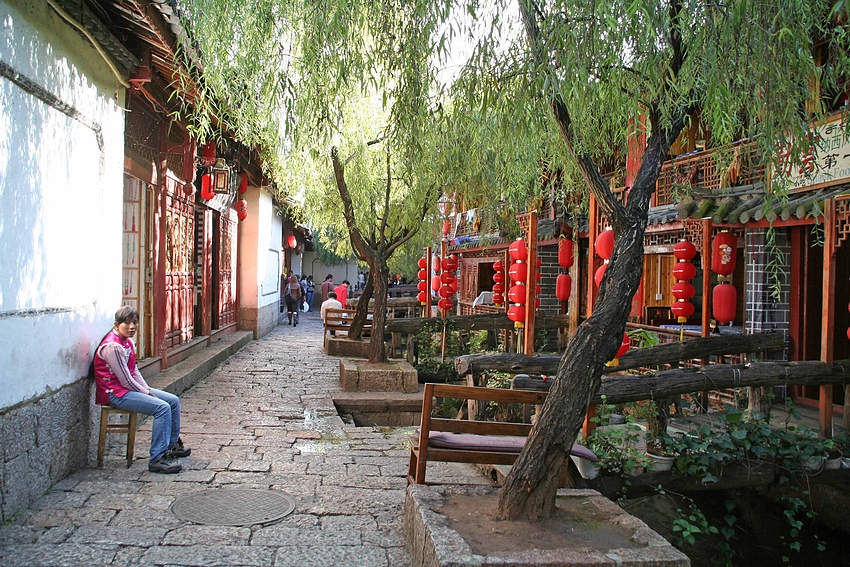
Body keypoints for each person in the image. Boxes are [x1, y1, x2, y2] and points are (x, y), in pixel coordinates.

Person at [92, 306, 190, 474]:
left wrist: (145, 388)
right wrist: (146, 393)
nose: (132, 327)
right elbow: (125, 380)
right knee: (161, 407)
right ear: (116, 324)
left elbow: (134, 371)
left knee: (172, 401)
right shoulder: (113, 347)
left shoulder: (127, 342)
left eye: (135, 323)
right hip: (114, 393)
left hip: (127, 389)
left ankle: (172, 445)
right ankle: (157, 458)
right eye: (127, 323)